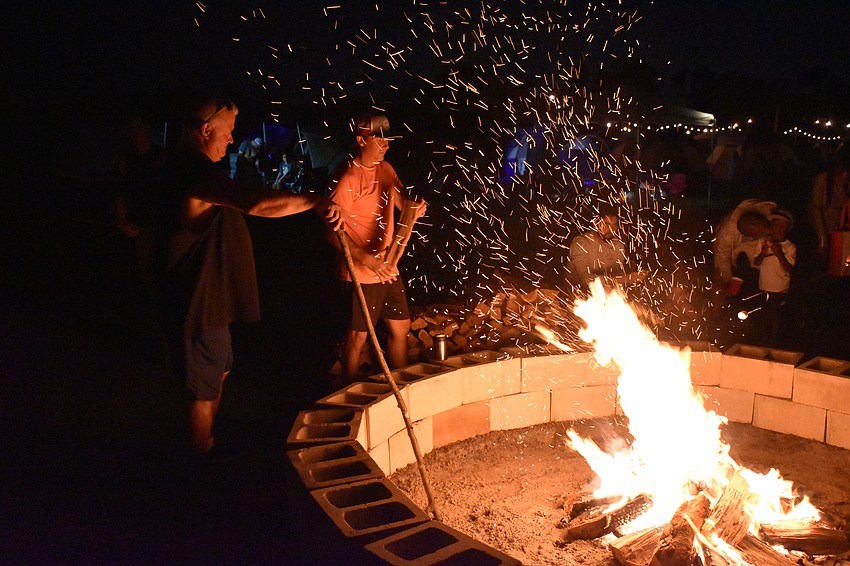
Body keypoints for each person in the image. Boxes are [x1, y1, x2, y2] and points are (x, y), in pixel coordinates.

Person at [157, 96, 341, 456]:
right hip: (197, 305)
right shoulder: (193, 172)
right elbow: (255, 202)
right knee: (201, 390)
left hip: (212, 304)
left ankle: (207, 445)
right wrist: (313, 201)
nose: (231, 139)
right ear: (206, 129)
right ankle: (196, 462)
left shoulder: (191, 168)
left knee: (217, 373)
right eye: (227, 131)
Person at [329, 112, 426, 384]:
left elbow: (401, 202)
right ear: (362, 140)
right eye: (379, 140)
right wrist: (366, 259)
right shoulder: (348, 178)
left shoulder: (385, 169)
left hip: (387, 265)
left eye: (388, 140)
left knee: (401, 326)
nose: (386, 145)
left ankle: (401, 384)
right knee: (358, 336)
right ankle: (350, 391)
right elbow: (331, 232)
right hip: (361, 272)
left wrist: (415, 207)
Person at [737, 210, 796, 346]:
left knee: (776, 321)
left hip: (781, 290)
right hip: (763, 288)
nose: (779, 228)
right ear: (771, 226)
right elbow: (756, 262)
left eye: (783, 226)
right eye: (776, 225)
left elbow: (790, 269)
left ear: (787, 228)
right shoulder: (762, 242)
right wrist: (764, 252)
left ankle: (774, 345)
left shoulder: (790, 247)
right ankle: (762, 345)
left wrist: (779, 253)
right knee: (763, 319)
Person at [567, 201, 646, 291]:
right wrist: (625, 279)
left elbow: (619, 276)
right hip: (578, 295)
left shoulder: (618, 244)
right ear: (595, 223)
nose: (611, 229)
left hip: (607, 296)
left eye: (614, 225)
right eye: (607, 224)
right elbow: (586, 280)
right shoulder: (581, 243)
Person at [712, 198, 775, 290]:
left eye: (765, 226)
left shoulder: (767, 209)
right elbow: (722, 259)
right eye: (762, 233)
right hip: (738, 253)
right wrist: (726, 281)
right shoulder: (726, 235)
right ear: (749, 235)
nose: (767, 231)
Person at [810, 159, 850, 262]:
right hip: (823, 228)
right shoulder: (822, 180)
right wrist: (823, 240)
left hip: (840, 230)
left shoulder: (846, 184)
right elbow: (816, 210)